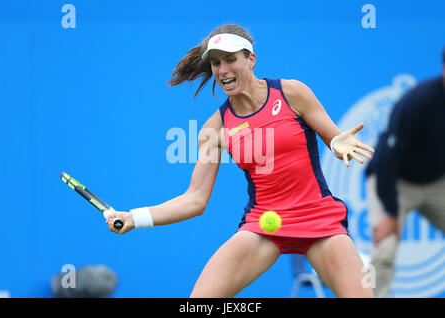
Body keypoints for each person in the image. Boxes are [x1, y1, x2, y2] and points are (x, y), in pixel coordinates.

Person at [106, 24, 375, 298]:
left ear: (251, 60)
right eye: (215, 63)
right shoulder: (214, 130)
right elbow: (194, 200)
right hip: (263, 225)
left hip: (319, 219)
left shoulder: (292, 93)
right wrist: (134, 217)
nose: (222, 71)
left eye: (231, 60)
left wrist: (336, 143)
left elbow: (335, 140)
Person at [365, 48, 445, 297]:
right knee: (385, 249)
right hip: (392, 180)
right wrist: (391, 212)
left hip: (436, 182)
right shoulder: (418, 102)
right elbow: (387, 160)